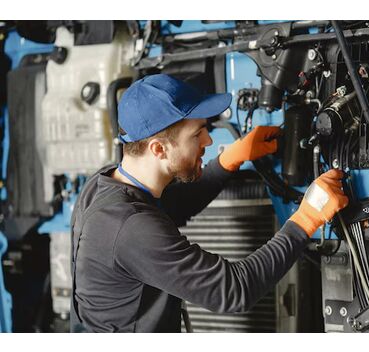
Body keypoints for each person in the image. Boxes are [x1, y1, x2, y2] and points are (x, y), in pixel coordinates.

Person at [70, 74, 348, 332]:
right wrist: (306, 220)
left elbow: (172, 205)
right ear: (158, 148)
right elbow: (234, 290)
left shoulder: (106, 183)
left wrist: (229, 160)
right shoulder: (130, 227)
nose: (209, 139)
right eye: (197, 133)